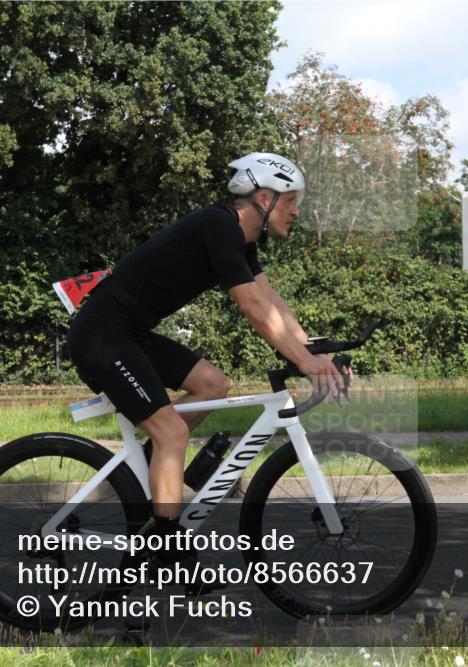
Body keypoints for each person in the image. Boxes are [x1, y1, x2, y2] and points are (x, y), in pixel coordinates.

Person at [66, 152, 348, 580]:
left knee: (214, 384)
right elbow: (253, 308)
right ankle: (167, 556)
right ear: (265, 196)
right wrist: (304, 361)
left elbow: (273, 304)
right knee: (173, 431)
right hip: (102, 335)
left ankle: (150, 468)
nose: (296, 210)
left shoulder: (242, 240)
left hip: (129, 333)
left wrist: (315, 352)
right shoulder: (219, 225)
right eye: (291, 199)